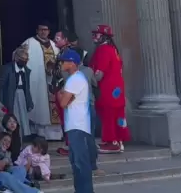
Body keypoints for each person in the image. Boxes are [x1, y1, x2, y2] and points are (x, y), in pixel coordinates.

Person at [57, 50, 95, 193]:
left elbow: (63, 103)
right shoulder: (75, 78)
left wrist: (61, 94)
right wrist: (65, 95)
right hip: (75, 126)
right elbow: (68, 100)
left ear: (72, 63)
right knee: (76, 162)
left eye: (63, 61)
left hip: (77, 126)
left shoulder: (75, 79)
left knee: (80, 163)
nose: (61, 63)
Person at [88, 24, 129, 153]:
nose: (93, 37)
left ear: (104, 36)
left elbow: (99, 74)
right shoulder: (113, 49)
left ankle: (112, 142)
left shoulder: (103, 50)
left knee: (108, 115)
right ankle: (118, 140)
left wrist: (90, 82)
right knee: (117, 115)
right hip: (117, 89)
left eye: (96, 34)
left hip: (107, 89)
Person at [21, 23, 62, 140]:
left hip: (52, 82)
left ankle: (55, 135)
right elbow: (18, 55)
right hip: (38, 81)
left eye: (46, 30)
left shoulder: (54, 45)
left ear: (49, 31)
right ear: (37, 30)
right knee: (40, 105)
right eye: (41, 30)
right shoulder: (29, 43)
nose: (43, 32)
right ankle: (39, 132)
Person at [0, 47, 33, 136]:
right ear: (16, 58)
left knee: (22, 118)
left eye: (26, 59)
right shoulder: (7, 69)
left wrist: (29, 101)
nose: (24, 61)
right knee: (12, 117)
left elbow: (27, 87)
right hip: (11, 95)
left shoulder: (26, 70)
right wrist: (2, 102)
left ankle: (20, 138)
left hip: (22, 95)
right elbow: (1, 87)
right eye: (22, 59)